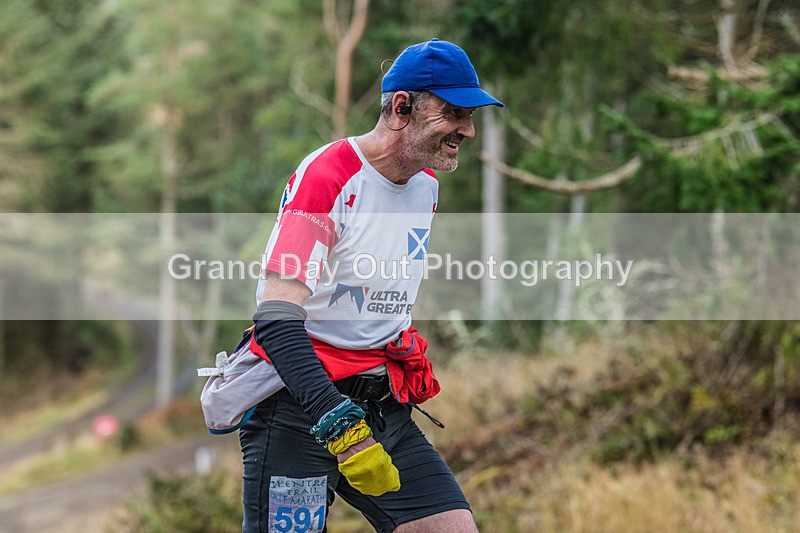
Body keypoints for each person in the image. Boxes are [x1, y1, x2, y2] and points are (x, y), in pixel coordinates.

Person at [242, 38, 504, 532]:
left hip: (380, 402)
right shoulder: (329, 174)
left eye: (471, 116)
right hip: (299, 405)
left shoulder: (426, 186)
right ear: (402, 108)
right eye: (454, 113)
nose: (467, 130)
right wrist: (340, 428)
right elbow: (275, 320)